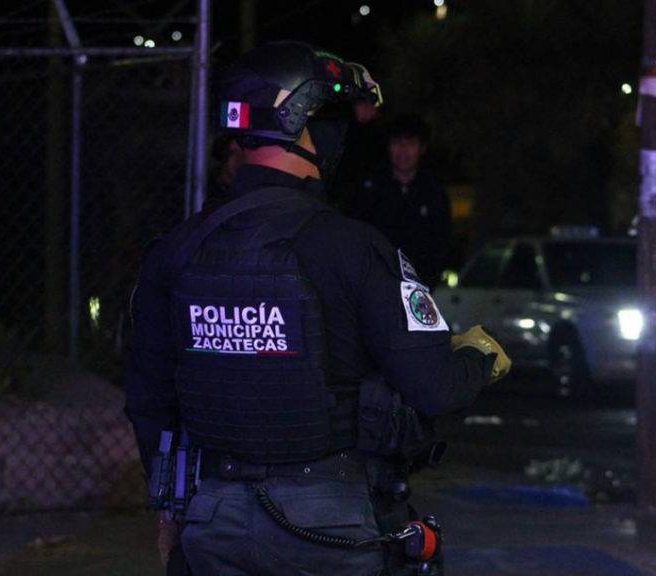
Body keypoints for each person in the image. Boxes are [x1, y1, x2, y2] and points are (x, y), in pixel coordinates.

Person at [124, 41, 511, 576]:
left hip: (211, 518)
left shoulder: (176, 251)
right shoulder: (354, 248)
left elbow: (149, 400)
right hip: (332, 524)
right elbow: (434, 386)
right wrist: (478, 358)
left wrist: (170, 509)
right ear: (300, 122)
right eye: (329, 119)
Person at [348, 115, 451, 287]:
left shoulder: (434, 192)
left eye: (410, 144)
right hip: (376, 283)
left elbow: (440, 244)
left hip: (420, 286)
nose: (403, 151)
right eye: (397, 143)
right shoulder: (370, 189)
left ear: (422, 148)